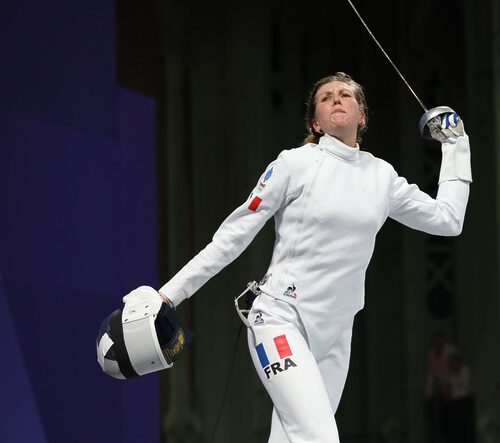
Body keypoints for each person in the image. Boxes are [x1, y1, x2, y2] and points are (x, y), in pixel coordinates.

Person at [158, 72, 472, 442]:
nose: (336, 100)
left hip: (337, 332)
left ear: (362, 116)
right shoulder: (294, 164)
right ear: (314, 121)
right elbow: (232, 236)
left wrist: (456, 146)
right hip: (280, 319)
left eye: (345, 95)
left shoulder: (382, 176)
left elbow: (448, 220)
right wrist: (167, 295)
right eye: (325, 98)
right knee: (319, 438)